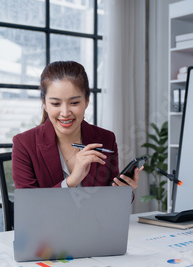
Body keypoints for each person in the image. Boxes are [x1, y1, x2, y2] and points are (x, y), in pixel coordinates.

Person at [12, 61, 142, 190]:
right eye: (56, 104)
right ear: (44, 104)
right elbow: (29, 207)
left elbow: (110, 200)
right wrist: (71, 181)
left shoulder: (106, 139)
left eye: (74, 103)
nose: (65, 113)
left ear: (86, 101)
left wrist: (124, 191)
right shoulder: (24, 144)